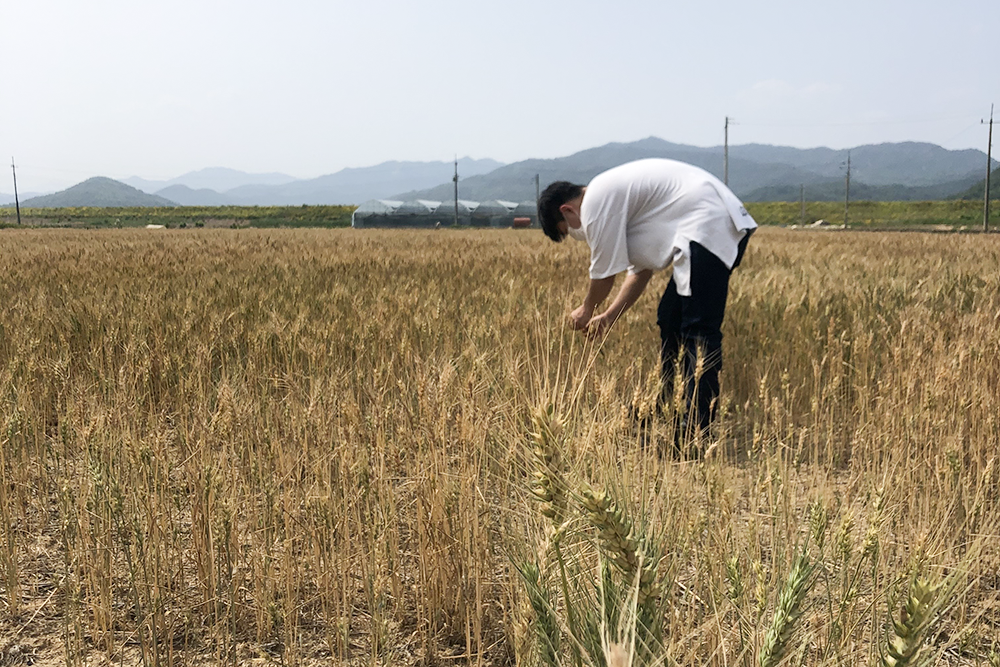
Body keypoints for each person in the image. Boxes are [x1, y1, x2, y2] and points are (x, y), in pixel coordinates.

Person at [537, 158, 756, 455]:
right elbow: (639, 272)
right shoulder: (613, 198)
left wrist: (586, 309)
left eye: (568, 229)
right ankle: (667, 400)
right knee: (670, 317)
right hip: (706, 227)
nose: (577, 234)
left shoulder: (595, 202)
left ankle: (692, 436)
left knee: (698, 332)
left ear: (567, 210)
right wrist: (609, 316)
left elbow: (603, 276)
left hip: (707, 227)